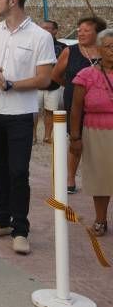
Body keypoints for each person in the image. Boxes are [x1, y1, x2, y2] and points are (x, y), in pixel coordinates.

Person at [0, 0, 55, 255]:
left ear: (12, 1)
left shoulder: (40, 37)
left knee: (19, 171)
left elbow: (44, 79)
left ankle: (21, 230)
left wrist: (10, 84)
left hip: (20, 114)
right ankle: (2, 221)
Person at [52, 16, 106, 194]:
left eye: (86, 30)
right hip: (74, 102)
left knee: (99, 140)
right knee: (75, 138)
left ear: (97, 34)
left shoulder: (106, 52)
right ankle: (70, 178)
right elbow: (56, 75)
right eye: (79, 29)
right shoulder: (70, 51)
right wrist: (71, 87)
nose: (80, 33)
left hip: (101, 105)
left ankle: (100, 178)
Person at [69, 29, 113, 237]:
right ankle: (101, 220)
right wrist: (75, 138)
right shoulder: (86, 76)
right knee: (100, 179)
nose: (112, 51)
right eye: (108, 47)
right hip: (95, 133)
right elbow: (76, 109)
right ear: (98, 50)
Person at [35, 21, 66, 145]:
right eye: (42, 28)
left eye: (48, 28)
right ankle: (33, 136)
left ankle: (47, 136)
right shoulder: (33, 45)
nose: (44, 30)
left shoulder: (62, 47)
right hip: (35, 85)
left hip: (54, 85)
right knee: (33, 112)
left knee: (50, 111)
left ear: (55, 31)